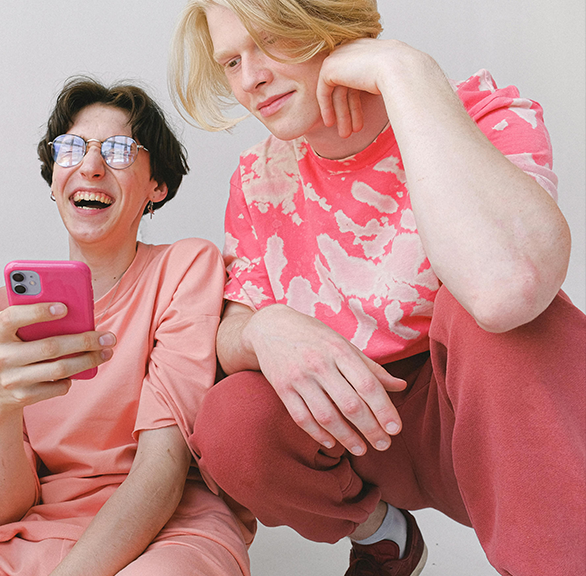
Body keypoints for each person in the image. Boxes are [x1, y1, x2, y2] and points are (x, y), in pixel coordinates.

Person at [169, 1, 586, 575]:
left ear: (328, 24)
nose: (250, 77)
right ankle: (382, 535)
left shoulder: (479, 112)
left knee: (486, 321)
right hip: (361, 429)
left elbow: (507, 288)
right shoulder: (256, 176)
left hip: (497, 423)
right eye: (231, 61)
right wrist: (265, 328)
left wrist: (405, 72)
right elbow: (232, 326)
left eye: (270, 41)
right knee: (230, 417)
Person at [0, 77, 253, 576]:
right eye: (71, 149)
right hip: (29, 536)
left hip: (169, 533)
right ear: (52, 179)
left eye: (118, 150)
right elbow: (4, 510)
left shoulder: (185, 268)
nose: (90, 165)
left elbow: (164, 466)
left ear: (158, 185)